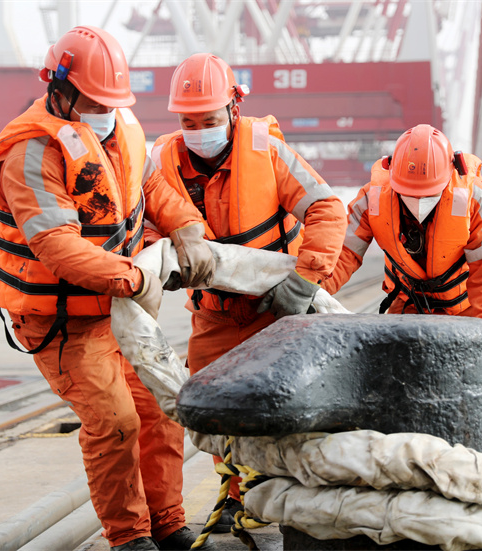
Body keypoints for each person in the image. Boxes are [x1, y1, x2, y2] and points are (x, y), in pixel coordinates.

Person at [0, 26, 216, 551]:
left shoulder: (121, 126)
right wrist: (135, 278)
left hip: (120, 308)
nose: (104, 110)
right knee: (116, 421)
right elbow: (56, 245)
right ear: (59, 88)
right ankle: (129, 537)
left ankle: (168, 522)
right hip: (63, 321)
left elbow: (149, 186)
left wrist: (184, 225)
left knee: (162, 406)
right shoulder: (30, 148)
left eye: (111, 102)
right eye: (94, 102)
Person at [148, 52, 347, 531]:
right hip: (212, 317)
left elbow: (326, 209)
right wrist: (165, 260)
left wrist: (304, 281)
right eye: (188, 120)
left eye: (209, 120)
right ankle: (237, 498)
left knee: (287, 411)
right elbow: (144, 226)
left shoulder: (268, 153)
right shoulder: (160, 160)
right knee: (216, 414)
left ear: (234, 108)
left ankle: (290, 503)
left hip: (273, 313)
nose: (198, 130)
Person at [322, 124, 482, 470]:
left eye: (429, 195)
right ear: (393, 178)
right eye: (410, 195)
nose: (419, 203)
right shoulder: (372, 198)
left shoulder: (475, 199)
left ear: (448, 178)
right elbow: (340, 257)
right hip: (409, 308)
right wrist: (309, 291)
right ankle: (420, 473)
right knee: (401, 392)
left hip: (471, 308)